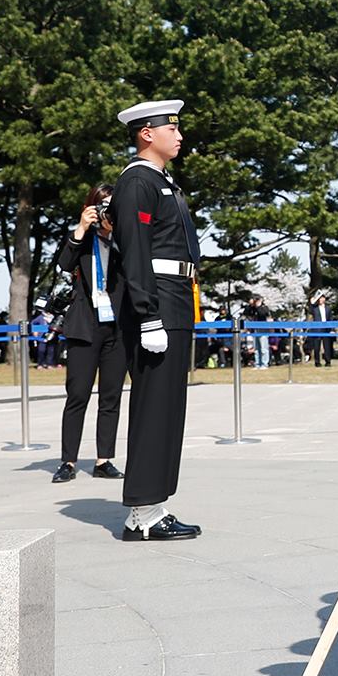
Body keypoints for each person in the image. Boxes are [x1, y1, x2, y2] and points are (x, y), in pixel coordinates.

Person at [110, 99, 203, 544]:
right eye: (172, 128)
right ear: (147, 133)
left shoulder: (162, 182)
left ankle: (154, 506)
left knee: (167, 410)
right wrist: (147, 316)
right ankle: (143, 515)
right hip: (158, 304)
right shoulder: (137, 182)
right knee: (154, 409)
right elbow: (134, 251)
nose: (179, 135)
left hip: (175, 300)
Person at [52, 183, 126, 484]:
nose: (107, 211)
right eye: (102, 205)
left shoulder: (125, 239)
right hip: (85, 325)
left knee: (111, 396)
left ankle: (103, 459)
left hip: (118, 326)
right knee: (77, 395)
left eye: (112, 205)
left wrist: (118, 231)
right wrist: (81, 228)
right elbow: (64, 264)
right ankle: (68, 461)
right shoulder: (81, 239)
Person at [308, 290, 335, 366]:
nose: (321, 300)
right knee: (317, 347)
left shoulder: (328, 308)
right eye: (319, 298)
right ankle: (317, 362)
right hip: (317, 329)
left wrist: (332, 329)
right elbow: (310, 310)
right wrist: (311, 302)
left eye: (322, 298)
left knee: (327, 346)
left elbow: (330, 319)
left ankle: (328, 361)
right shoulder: (315, 308)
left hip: (326, 329)